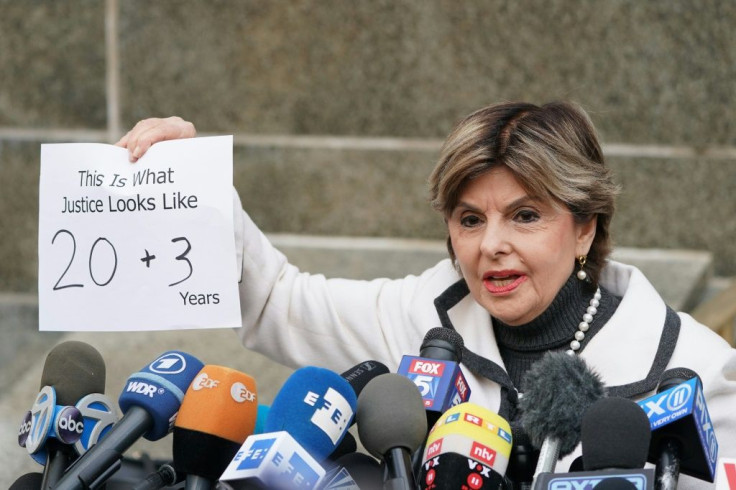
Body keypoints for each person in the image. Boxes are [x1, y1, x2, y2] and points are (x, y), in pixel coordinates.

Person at [117, 102, 736, 489]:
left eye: (524, 216)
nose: (490, 244)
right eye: (470, 220)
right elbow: (278, 301)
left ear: (585, 227)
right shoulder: (421, 314)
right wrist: (193, 186)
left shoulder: (697, 371)